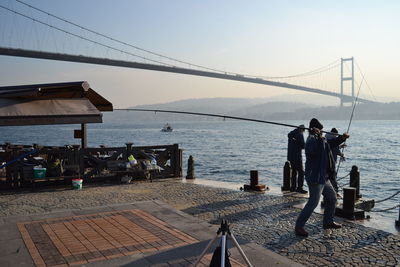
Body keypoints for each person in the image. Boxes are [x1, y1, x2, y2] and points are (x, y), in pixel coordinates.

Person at [294, 118, 349, 237]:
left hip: (324, 177)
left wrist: (342, 138)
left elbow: (330, 144)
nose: (322, 132)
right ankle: (299, 225)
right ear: (314, 130)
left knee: (332, 198)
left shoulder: (321, 139)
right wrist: (317, 137)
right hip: (315, 177)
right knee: (313, 202)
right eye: (320, 130)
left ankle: (328, 221)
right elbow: (315, 151)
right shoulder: (310, 141)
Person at [325, 128, 346, 193]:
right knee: (333, 177)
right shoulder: (334, 139)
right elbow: (336, 150)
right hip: (332, 162)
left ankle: (328, 192)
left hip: (325, 163)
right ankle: (335, 191)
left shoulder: (326, 138)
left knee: (327, 178)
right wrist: (342, 155)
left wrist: (340, 146)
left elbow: (333, 146)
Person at [287, 124, 307, 193]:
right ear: (302, 129)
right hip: (297, 157)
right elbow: (303, 146)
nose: (303, 132)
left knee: (294, 172)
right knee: (301, 172)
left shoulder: (291, 133)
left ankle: (293, 187)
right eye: (303, 130)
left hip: (290, 156)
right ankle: (300, 188)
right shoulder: (300, 134)